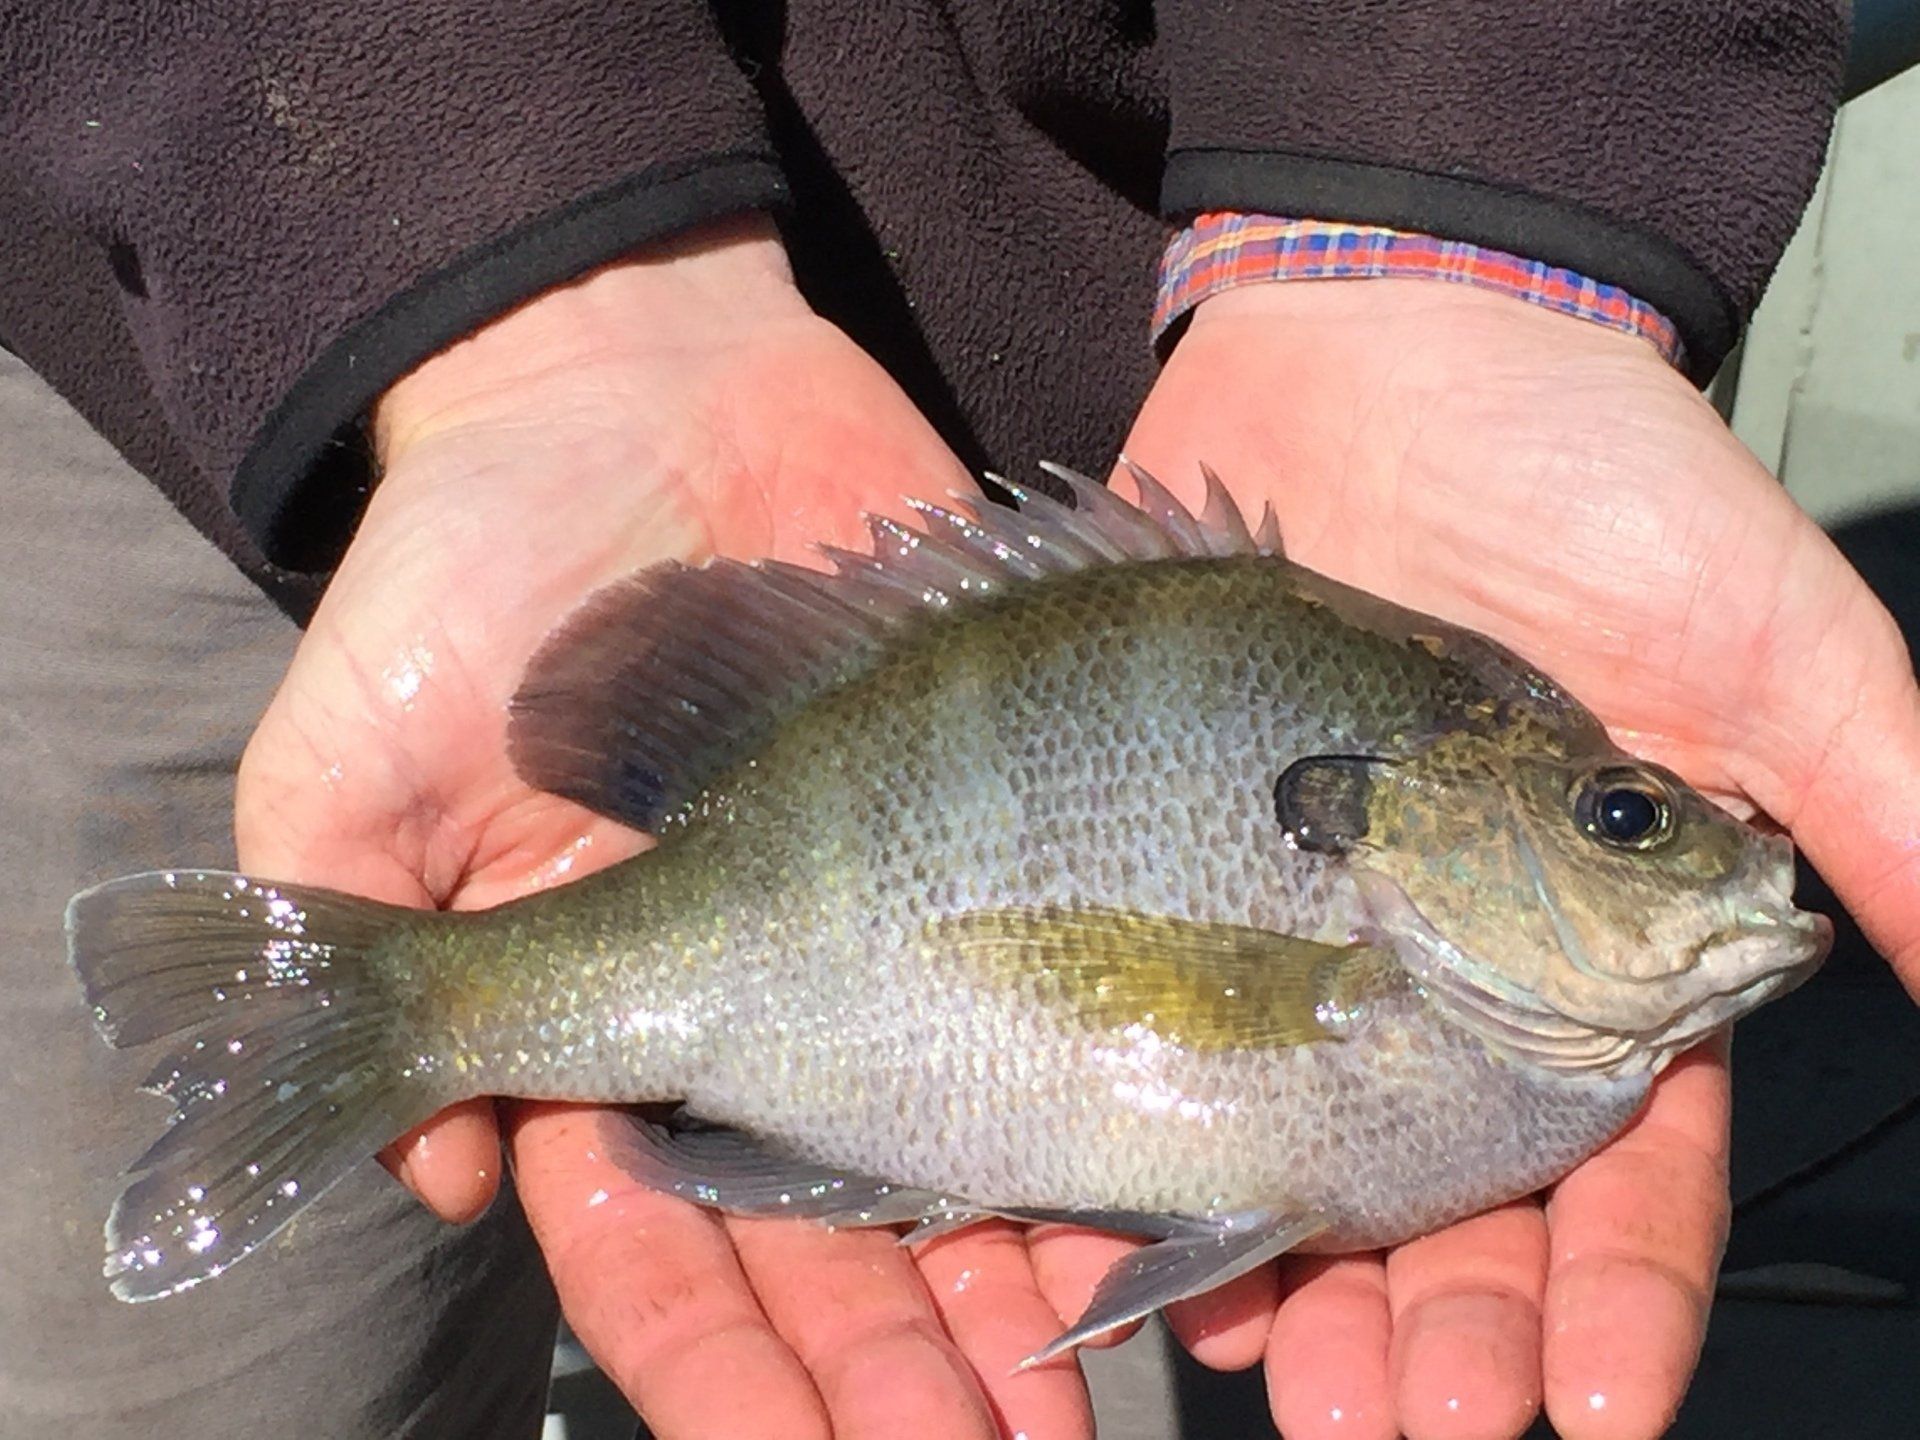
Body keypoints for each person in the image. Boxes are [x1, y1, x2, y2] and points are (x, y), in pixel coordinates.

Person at [4, 4, 1912, 1439]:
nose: (1710, 847)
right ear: (1421, 814)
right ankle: (395, 1003)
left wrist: (1455, 213)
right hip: (242, 276)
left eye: (1628, 816)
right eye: (1624, 822)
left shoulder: (1445, 777)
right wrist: (484, 286)